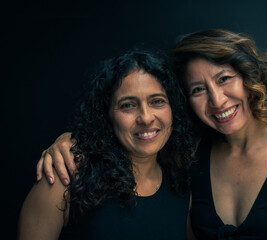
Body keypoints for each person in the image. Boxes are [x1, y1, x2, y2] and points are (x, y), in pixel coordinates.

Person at [35, 29, 267, 239]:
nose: (217, 100)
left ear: (248, 78)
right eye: (199, 89)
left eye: (225, 78)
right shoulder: (191, 157)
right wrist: (68, 142)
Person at [18, 48, 195, 240]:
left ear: (173, 110)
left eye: (157, 101)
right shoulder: (64, 177)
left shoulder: (182, 186)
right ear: (106, 116)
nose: (145, 118)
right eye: (128, 105)